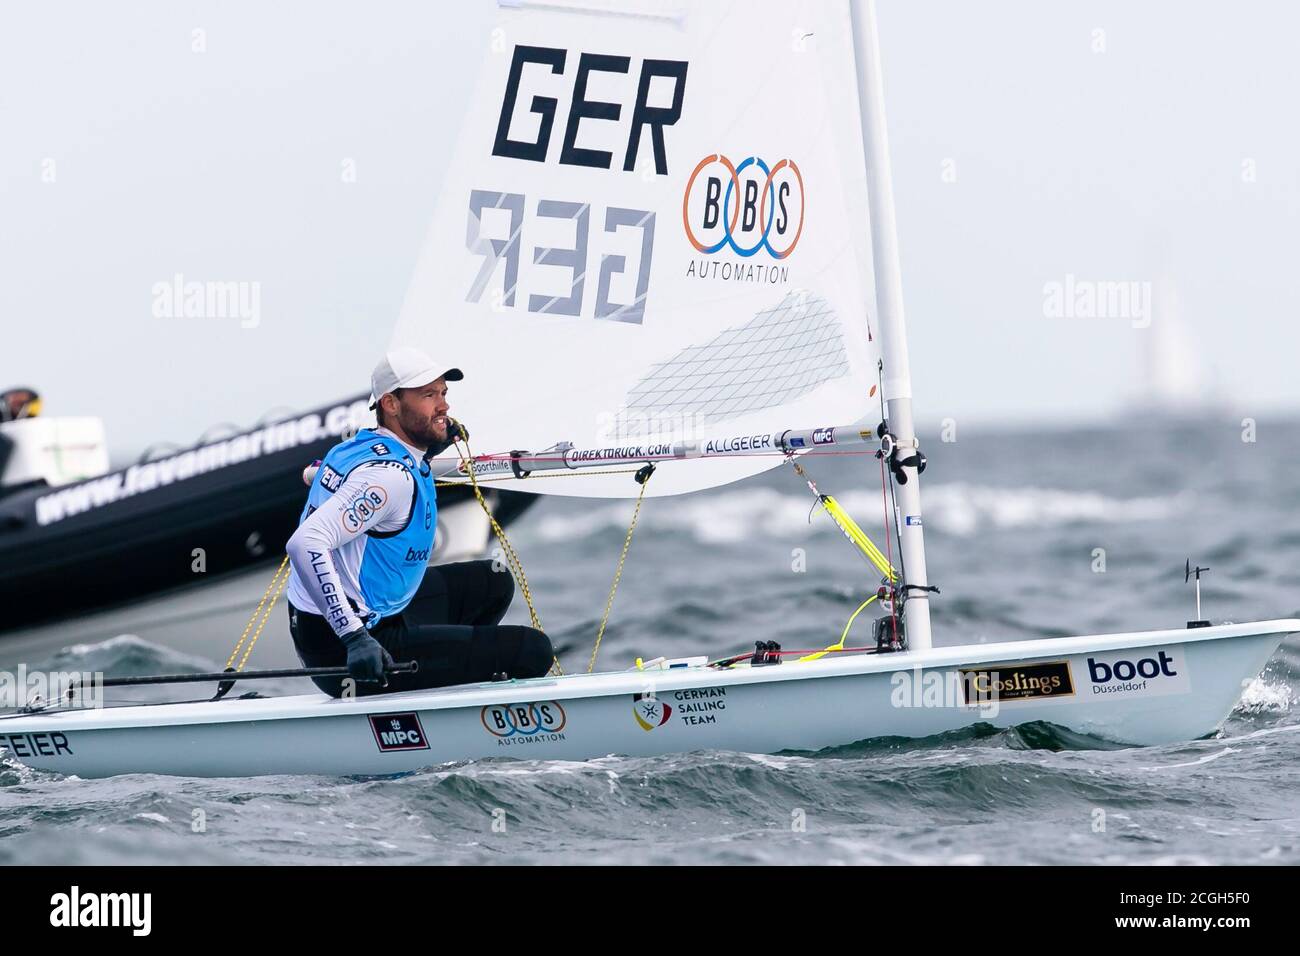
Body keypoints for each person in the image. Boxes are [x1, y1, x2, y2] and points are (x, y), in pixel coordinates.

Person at [284, 347, 552, 696]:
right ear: (390, 404)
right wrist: (354, 637)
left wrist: (428, 447)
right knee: (531, 650)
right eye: (428, 396)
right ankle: (434, 697)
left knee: (492, 582)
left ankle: (447, 676)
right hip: (348, 649)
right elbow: (304, 544)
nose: (443, 406)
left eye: (443, 393)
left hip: (375, 614)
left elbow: (321, 476)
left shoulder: (359, 448)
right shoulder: (388, 478)